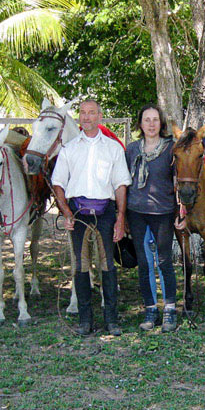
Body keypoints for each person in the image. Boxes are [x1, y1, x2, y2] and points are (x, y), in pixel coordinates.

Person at [51, 99, 131, 336]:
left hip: (105, 212)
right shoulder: (69, 149)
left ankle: (112, 320)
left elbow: (120, 185)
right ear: (79, 118)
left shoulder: (113, 148)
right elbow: (58, 183)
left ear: (99, 116)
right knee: (81, 268)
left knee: (108, 267)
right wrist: (66, 211)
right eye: (83, 113)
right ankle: (85, 320)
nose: (87, 117)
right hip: (78, 215)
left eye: (92, 113)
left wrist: (120, 218)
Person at [124, 103, 178, 332]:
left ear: (161, 123)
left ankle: (170, 310)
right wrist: (122, 214)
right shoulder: (132, 149)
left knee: (165, 261)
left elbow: (179, 181)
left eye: (155, 119)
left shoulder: (171, 149)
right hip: (137, 213)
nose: (151, 124)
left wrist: (181, 211)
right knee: (145, 263)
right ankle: (150, 309)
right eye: (147, 120)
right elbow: (124, 181)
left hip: (163, 212)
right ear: (140, 124)